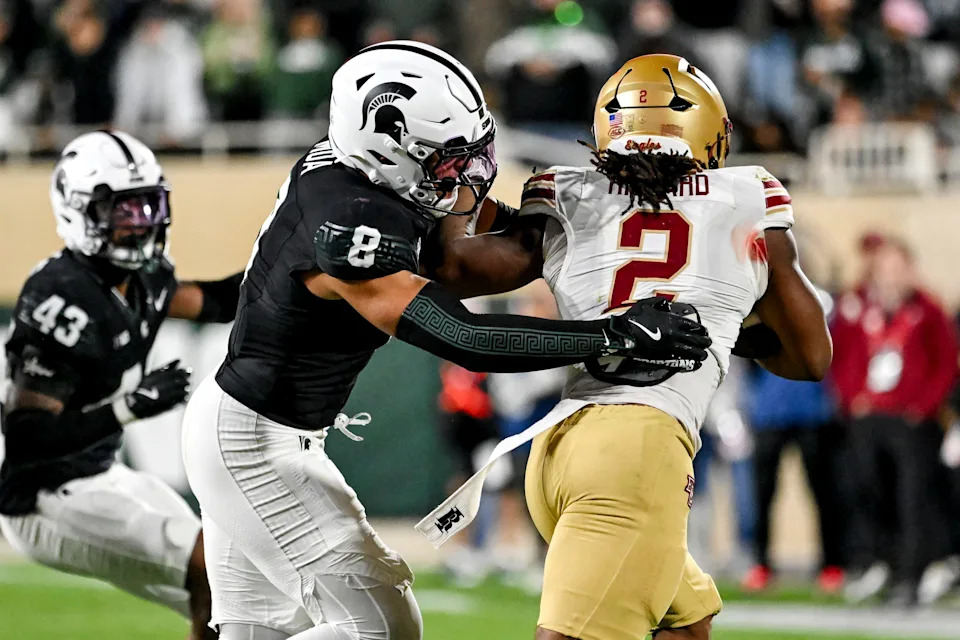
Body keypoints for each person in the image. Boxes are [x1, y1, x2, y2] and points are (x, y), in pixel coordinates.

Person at [180, 41, 711, 640]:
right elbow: (462, 334)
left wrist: (588, 230)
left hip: (254, 425)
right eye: (446, 160)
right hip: (253, 442)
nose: (463, 177)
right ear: (387, 144)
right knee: (382, 627)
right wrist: (611, 335)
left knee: (257, 633)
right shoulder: (350, 219)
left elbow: (474, 245)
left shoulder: (370, 177)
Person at [421, 54, 833, 639]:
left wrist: (455, 188)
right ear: (711, 132)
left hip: (558, 447)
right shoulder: (749, 195)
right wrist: (720, 323)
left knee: (688, 622)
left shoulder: (565, 193)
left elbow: (454, 267)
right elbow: (811, 358)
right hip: (637, 451)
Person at [0, 130, 244, 640]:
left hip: (101, 474)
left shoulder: (147, 279)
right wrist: (129, 408)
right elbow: (27, 438)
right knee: (215, 570)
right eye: (123, 211)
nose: (141, 225)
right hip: (43, 494)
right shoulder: (61, 295)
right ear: (78, 210)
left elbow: (219, 301)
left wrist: (294, 264)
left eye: (148, 207)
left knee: (238, 594)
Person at [831, 238, 958, 606]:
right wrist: (851, 399)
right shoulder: (860, 309)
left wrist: (924, 405)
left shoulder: (927, 310)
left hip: (911, 419)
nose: (890, 278)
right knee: (871, 493)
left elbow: (946, 363)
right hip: (869, 415)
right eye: (884, 270)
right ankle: (881, 564)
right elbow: (841, 356)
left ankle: (911, 575)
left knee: (913, 498)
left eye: (897, 269)